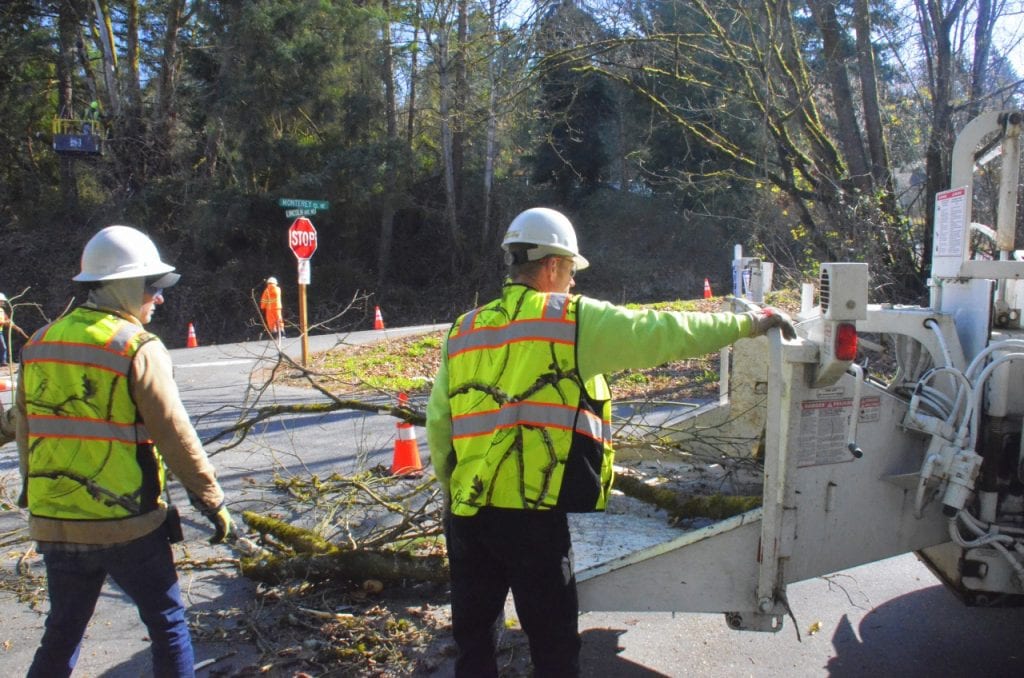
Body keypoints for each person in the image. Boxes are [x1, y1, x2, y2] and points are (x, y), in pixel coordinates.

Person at [426, 207, 796, 677]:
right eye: (571, 272)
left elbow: (440, 424)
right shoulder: (572, 321)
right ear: (552, 266)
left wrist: (453, 489)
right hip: (532, 517)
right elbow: (664, 332)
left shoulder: (464, 329)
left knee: (474, 642)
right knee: (553, 644)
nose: (573, 283)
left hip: (467, 514)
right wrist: (750, 323)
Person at [15, 225, 235, 677]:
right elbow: (173, 431)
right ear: (123, 285)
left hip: (57, 521)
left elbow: (26, 427)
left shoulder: (38, 343)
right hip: (126, 523)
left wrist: (32, 495)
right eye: (151, 287)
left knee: (62, 631)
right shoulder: (135, 346)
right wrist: (210, 499)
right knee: (168, 622)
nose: (159, 297)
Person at [0, 292, 29, 366]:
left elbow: (7, 320)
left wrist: (13, 325)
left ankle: (3, 362)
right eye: (1, 301)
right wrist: (5, 322)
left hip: (0, 332)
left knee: (3, 347)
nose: (3, 302)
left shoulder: (1, 310)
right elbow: (3, 321)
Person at [259, 276, 284, 342]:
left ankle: (275, 335)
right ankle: (282, 334)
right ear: (275, 283)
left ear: (268, 283)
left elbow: (263, 300)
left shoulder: (266, 291)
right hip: (278, 307)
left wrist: (262, 307)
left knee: (271, 322)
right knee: (279, 320)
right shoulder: (278, 289)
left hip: (270, 308)